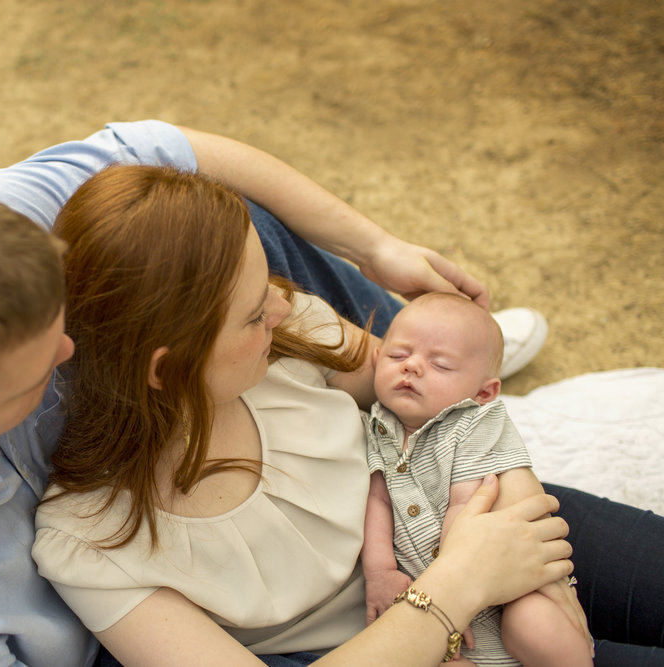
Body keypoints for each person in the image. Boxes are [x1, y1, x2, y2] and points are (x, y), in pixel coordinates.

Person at [0, 120, 659, 666]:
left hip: (438, 514)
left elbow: (159, 146)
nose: (71, 347)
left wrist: (387, 285)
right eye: (36, 371)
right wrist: (457, 589)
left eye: (62, 316)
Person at [30, 164, 578, 666]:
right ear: (168, 369)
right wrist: (462, 582)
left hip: (483, 513)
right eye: (251, 315)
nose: (282, 307)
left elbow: (456, 402)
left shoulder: (291, 339)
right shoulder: (91, 545)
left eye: (266, 281)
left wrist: (529, 531)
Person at [361, 293, 592, 666]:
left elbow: (466, 505)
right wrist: (380, 571)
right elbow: (377, 500)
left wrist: (453, 587)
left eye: (440, 365)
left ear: (484, 392)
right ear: (377, 360)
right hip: (426, 612)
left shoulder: (473, 422)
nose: (412, 367)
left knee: (533, 622)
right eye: (398, 356)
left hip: (499, 587)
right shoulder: (378, 424)